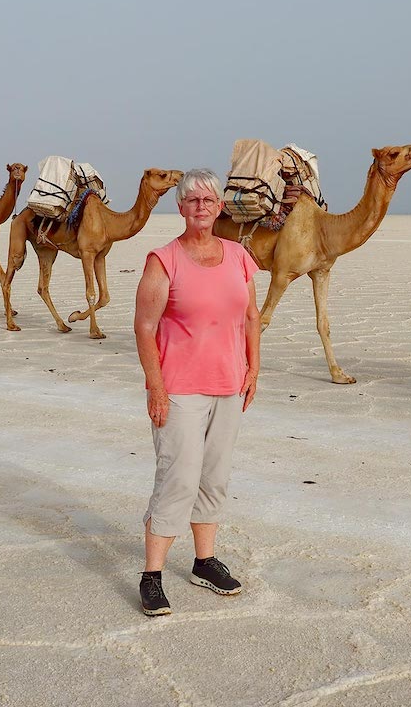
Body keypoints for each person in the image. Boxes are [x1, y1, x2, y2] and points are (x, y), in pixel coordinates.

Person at [133, 168, 261, 616]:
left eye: (208, 201)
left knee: (214, 477)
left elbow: (250, 316)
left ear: (220, 207)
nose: (201, 207)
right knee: (178, 478)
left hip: (228, 385)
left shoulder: (238, 256)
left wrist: (253, 368)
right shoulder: (163, 259)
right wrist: (156, 385)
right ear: (181, 208)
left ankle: (204, 562)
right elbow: (145, 327)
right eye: (192, 201)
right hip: (180, 389)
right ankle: (152, 575)